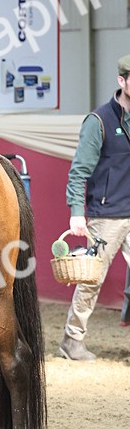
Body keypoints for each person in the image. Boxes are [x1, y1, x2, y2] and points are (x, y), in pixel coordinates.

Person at [58, 54, 130, 361]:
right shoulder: (98, 120)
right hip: (107, 215)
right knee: (91, 281)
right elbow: (79, 172)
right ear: (122, 80)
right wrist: (77, 212)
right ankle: (72, 341)